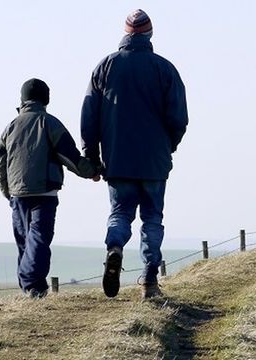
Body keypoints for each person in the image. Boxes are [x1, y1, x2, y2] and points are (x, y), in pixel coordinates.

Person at [81, 9, 188, 299]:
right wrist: (169, 146)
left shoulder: (105, 67)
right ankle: (150, 280)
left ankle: (114, 247)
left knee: (120, 213)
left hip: (118, 160)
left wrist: (92, 157)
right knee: (152, 219)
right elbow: (179, 118)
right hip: (154, 161)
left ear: (126, 34)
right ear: (149, 34)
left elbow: (89, 116)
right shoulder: (165, 69)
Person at [0, 78, 101, 298]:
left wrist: (9, 192)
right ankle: (34, 287)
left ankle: (31, 289)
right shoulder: (50, 123)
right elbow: (70, 158)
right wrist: (92, 171)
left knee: (25, 242)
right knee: (39, 240)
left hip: (17, 195)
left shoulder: (10, 127)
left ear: (22, 99)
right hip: (45, 193)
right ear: (46, 99)